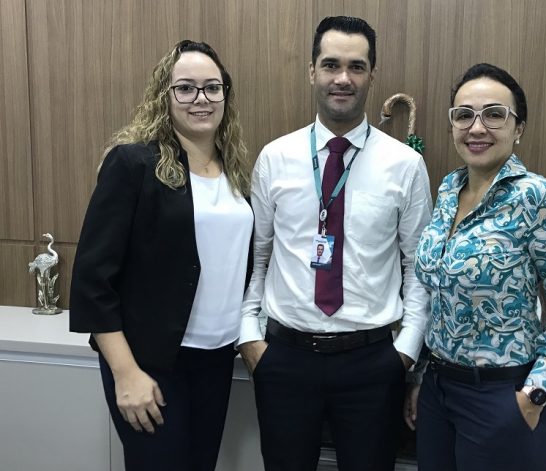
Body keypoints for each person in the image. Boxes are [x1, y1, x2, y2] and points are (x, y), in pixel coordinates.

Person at [237, 16, 432, 471]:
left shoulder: (404, 165)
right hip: (284, 360)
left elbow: (418, 268)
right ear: (312, 71)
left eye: (356, 66)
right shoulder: (275, 157)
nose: (343, 78)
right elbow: (257, 258)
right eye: (331, 65)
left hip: (373, 364)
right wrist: (250, 337)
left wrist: (405, 351)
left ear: (371, 75)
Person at [69, 40, 253, 471]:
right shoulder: (133, 164)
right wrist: (125, 373)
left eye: (212, 87)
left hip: (216, 358)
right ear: (164, 96)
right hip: (149, 361)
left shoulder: (236, 171)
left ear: (225, 94)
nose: (201, 99)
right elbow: (93, 280)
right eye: (185, 88)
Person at [406, 63, 546, 471]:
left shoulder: (540, 199)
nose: (476, 128)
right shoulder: (449, 189)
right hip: (438, 391)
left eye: (494, 114)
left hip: (505, 395)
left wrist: (534, 395)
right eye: (464, 115)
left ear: (518, 127)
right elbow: (441, 299)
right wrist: (421, 377)